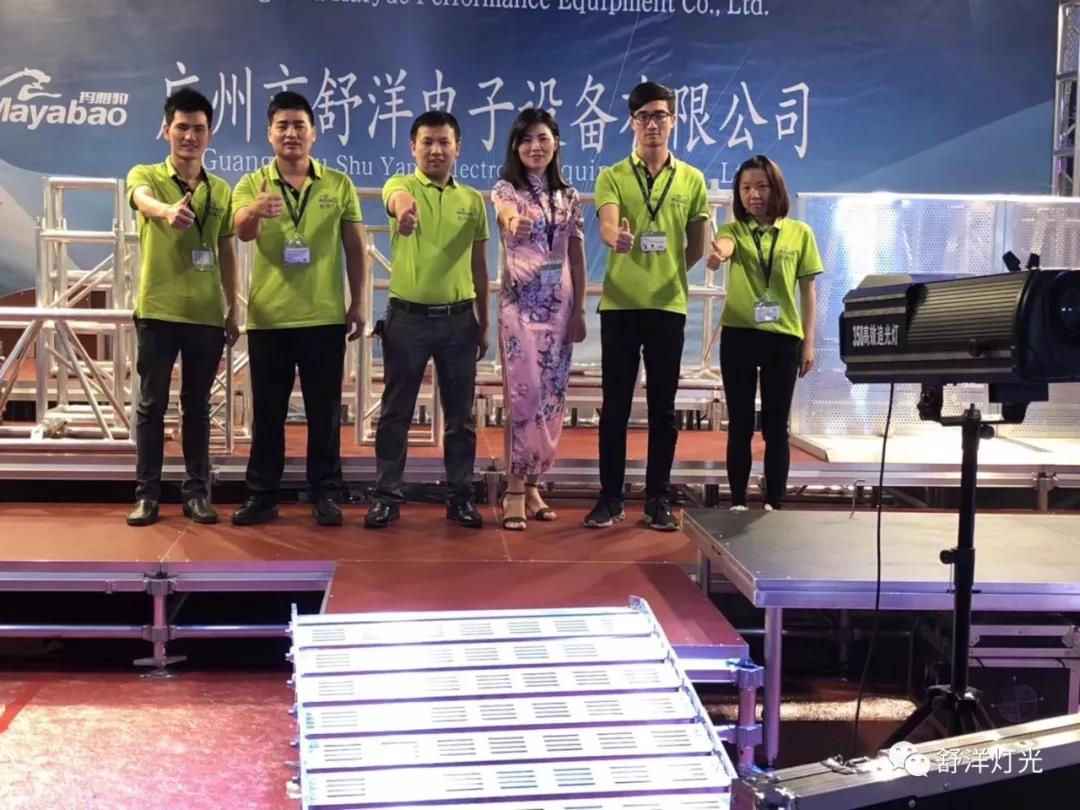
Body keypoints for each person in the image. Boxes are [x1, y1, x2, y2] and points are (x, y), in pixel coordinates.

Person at [230, 91, 366, 526]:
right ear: (270, 134)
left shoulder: (338, 183)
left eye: (299, 125)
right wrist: (254, 211)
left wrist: (359, 301)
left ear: (314, 133)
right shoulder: (252, 183)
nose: (291, 133)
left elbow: (355, 247)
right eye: (282, 126)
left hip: (324, 317)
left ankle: (325, 494)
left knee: (324, 414)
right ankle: (262, 496)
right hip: (269, 318)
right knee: (268, 414)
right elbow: (242, 232)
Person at [584, 81, 710, 532]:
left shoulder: (692, 179)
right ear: (632, 123)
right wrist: (615, 238)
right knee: (614, 407)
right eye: (643, 117)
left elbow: (697, 245)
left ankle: (658, 498)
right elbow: (607, 223)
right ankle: (610, 498)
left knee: (663, 410)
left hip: (667, 307)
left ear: (673, 120)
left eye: (660, 115)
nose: (652, 124)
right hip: (620, 307)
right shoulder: (613, 175)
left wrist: (668, 272)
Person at [364, 111, 489, 529]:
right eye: (427, 142)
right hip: (407, 320)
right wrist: (404, 215)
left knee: (461, 418)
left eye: (444, 142)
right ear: (412, 148)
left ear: (458, 148)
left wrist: (484, 321)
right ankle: (386, 498)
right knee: (395, 414)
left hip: (460, 320)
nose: (436, 150)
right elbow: (396, 199)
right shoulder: (400, 185)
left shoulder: (472, 201)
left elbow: (479, 266)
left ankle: (460, 498)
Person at [125, 88, 239, 527]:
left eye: (198, 129)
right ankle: (147, 495)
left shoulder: (221, 189)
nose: (190, 136)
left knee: (198, 406)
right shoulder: (147, 175)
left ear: (210, 135)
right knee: (151, 406)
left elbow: (226, 250)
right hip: (158, 310)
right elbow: (140, 198)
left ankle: (196, 493)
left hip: (206, 315)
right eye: (182, 127)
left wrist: (233, 308)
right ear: (166, 130)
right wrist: (165, 211)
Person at [707, 155, 822, 511]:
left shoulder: (800, 233)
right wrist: (718, 255)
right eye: (745, 188)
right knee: (740, 425)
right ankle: (738, 501)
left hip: (783, 339)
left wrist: (808, 342)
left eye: (761, 186)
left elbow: (808, 291)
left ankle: (774, 502)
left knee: (776, 427)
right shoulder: (733, 231)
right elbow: (723, 249)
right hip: (739, 336)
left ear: (776, 189)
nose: (753, 195)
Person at [491, 109, 587, 530]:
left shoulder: (569, 196)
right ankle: (513, 490)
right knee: (523, 398)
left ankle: (533, 487)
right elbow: (505, 214)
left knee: (551, 401)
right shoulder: (506, 189)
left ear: (556, 144)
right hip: (520, 309)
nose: (536, 147)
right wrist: (515, 221)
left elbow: (576, 256)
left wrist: (579, 309)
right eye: (527, 139)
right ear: (516, 147)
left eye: (543, 138)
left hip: (559, 308)